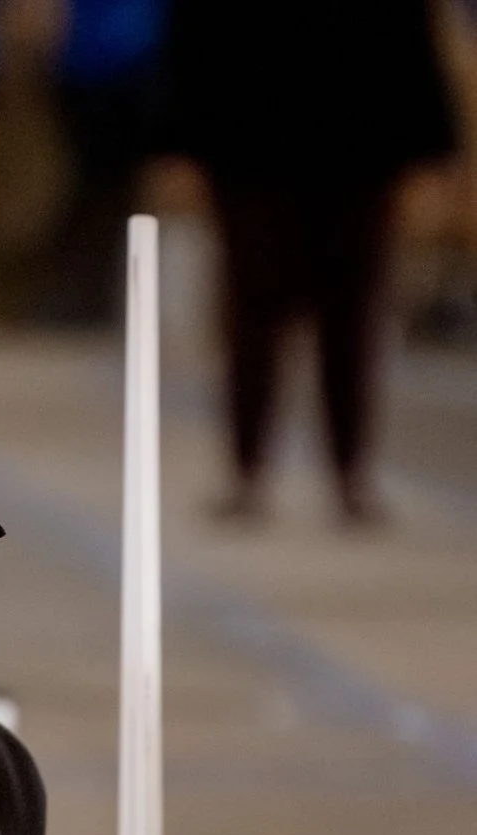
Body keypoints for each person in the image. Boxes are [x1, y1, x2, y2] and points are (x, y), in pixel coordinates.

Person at [158, 0, 458, 521]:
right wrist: (177, 139)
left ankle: (348, 473)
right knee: (254, 311)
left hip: (356, 142)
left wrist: (430, 147)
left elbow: (407, 27)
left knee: (349, 314)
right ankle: (248, 470)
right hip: (252, 141)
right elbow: (195, 28)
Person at [52, 0, 166, 326]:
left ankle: (106, 297)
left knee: (118, 196)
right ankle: (82, 297)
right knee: (93, 193)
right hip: (94, 77)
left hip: (136, 76)